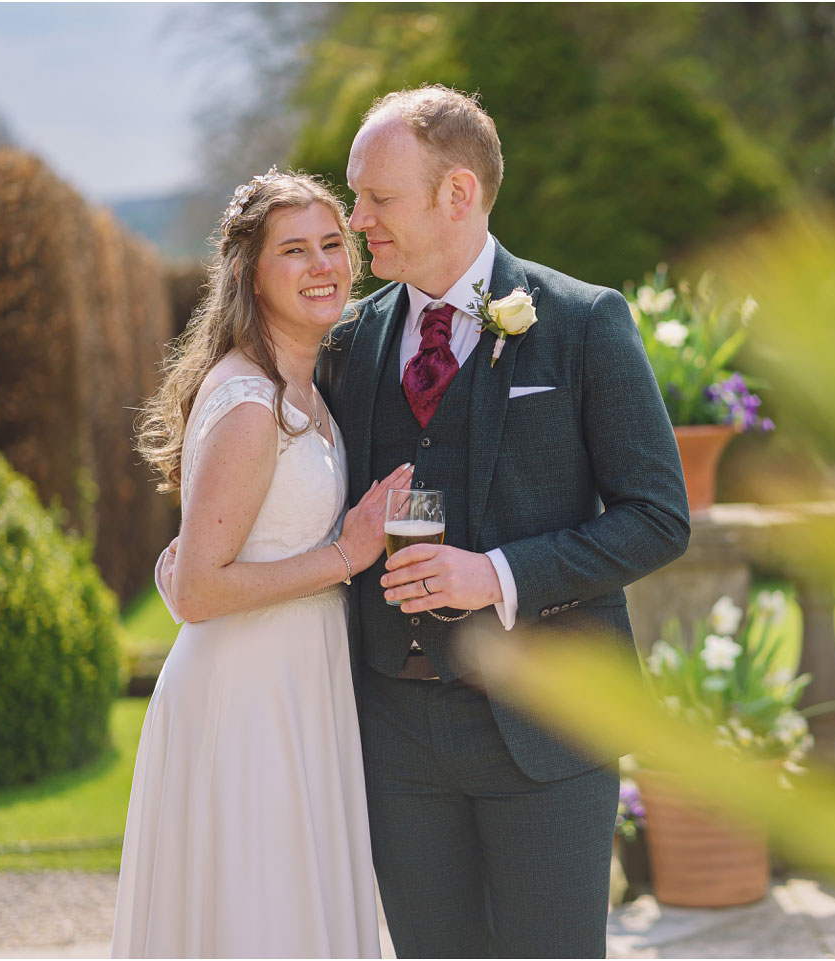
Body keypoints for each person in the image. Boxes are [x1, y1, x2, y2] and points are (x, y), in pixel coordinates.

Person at [322, 85, 690, 957]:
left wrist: (498, 574)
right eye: (354, 194)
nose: (355, 218)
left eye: (377, 197)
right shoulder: (348, 341)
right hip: (396, 737)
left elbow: (658, 517)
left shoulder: (582, 322)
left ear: (457, 194)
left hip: (548, 727)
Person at [113, 169, 412, 957]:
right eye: (294, 251)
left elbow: (200, 559)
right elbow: (200, 591)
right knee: (260, 917)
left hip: (299, 683)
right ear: (250, 274)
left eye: (330, 245)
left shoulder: (303, 387)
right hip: (247, 698)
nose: (322, 266)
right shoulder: (251, 404)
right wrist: (346, 552)